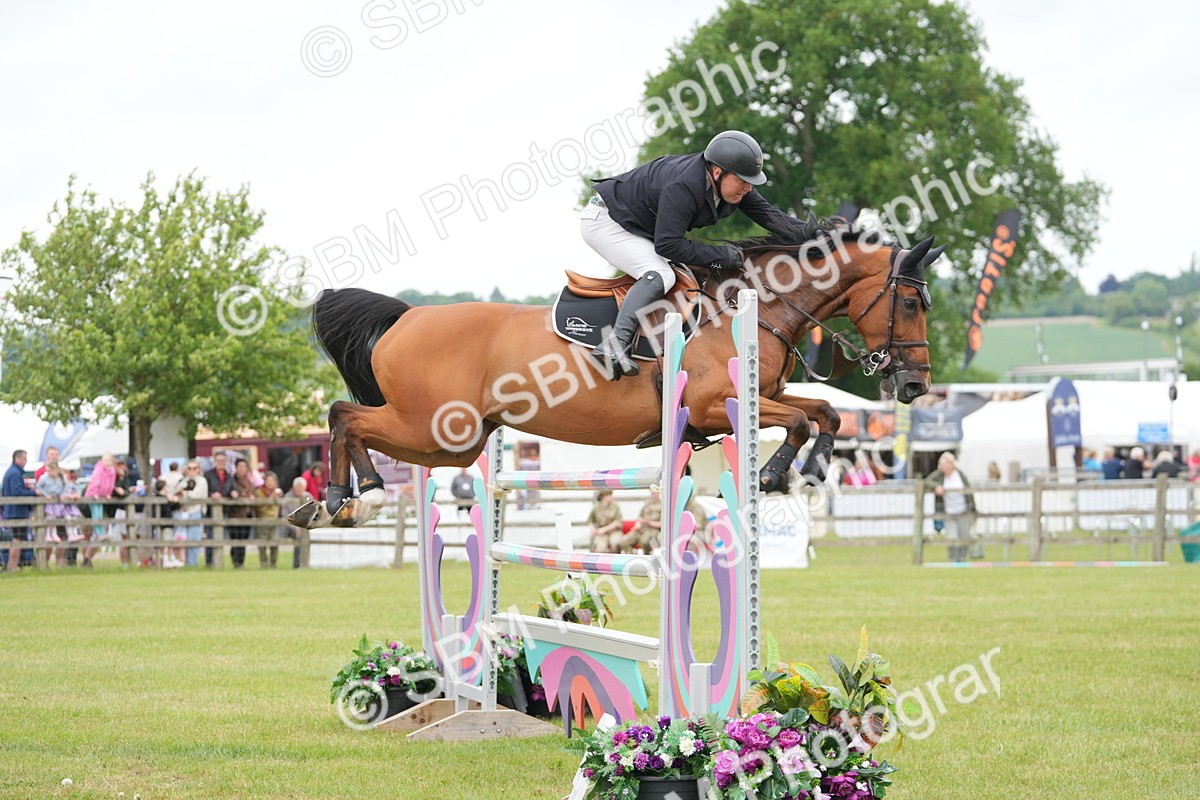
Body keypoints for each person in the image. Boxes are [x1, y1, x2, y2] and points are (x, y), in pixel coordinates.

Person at [583, 130, 807, 379]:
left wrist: (821, 235)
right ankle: (614, 344)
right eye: (743, 180)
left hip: (638, 226)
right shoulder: (685, 185)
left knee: (686, 276)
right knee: (660, 274)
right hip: (607, 221)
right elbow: (667, 245)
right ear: (718, 172)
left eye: (750, 181)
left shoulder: (729, 183)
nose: (748, 187)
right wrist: (722, 255)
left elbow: (771, 216)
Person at [924, 452, 979, 563]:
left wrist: (973, 509)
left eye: (948, 464)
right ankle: (953, 560)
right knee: (952, 537)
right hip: (949, 512)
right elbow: (926, 481)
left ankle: (962, 559)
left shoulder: (960, 475)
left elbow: (969, 491)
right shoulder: (939, 475)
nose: (946, 466)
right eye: (944, 464)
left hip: (964, 511)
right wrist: (937, 486)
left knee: (965, 536)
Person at [35, 462, 85, 568]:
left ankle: (71, 534)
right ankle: (50, 535)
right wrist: (45, 494)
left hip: (58, 502)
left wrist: (63, 495)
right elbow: (38, 487)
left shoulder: (61, 479)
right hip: (51, 502)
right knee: (51, 518)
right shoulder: (44, 478)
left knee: (65, 519)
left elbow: (64, 489)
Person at [80, 452, 117, 568]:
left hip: (101, 496)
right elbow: (96, 482)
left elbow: (110, 484)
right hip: (93, 495)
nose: (107, 462)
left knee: (99, 515)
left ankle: (101, 533)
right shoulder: (99, 469)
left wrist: (107, 494)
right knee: (95, 515)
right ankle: (100, 533)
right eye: (105, 460)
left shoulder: (111, 471)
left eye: (109, 460)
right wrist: (95, 493)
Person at [2, 450, 37, 570]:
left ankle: (12, 565)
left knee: (18, 538)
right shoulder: (14, 473)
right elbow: (17, 492)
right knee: (17, 539)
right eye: (24, 458)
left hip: (13, 511)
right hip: (16, 512)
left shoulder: (13, 472)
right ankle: (12, 566)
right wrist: (33, 492)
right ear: (17, 458)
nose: (25, 461)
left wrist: (26, 488)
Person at [169, 461, 208, 568]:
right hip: (183, 512)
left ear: (198, 469)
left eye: (194, 468)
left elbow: (196, 495)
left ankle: (192, 564)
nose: (192, 470)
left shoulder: (202, 481)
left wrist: (184, 494)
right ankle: (181, 563)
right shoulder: (183, 480)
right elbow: (176, 492)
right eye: (189, 468)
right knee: (181, 539)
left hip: (195, 511)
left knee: (193, 539)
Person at [204, 452, 236, 567]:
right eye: (219, 461)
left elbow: (232, 488)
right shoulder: (208, 475)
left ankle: (219, 561)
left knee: (222, 537)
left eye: (223, 461)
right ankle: (209, 563)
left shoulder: (229, 476)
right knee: (210, 537)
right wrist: (211, 495)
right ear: (214, 461)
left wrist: (233, 492)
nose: (221, 463)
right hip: (210, 511)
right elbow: (203, 491)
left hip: (225, 511)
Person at [252, 471, 284, 568]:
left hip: (274, 521)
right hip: (262, 521)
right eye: (268, 480)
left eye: (272, 480)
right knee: (262, 544)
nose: (270, 482)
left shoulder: (278, 492)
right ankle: (264, 564)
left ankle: (273, 563)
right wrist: (271, 498)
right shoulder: (259, 492)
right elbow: (260, 507)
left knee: (274, 543)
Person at [227, 459, 255, 568]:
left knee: (243, 540)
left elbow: (251, 492)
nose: (242, 469)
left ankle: (241, 562)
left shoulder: (249, 481)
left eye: (244, 466)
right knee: (236, 540)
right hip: (235, 514)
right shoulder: (231, 480)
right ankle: (236, 562)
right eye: (240, 466)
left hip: (247, 514)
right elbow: (231, 492)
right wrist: (241, 495)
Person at [281, 477, 314, 568]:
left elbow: (313, 513)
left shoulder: (308, 496)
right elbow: (285, 515)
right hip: (290, 526)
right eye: (297, 487)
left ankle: (308, 563)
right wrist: (296, 528)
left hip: (306, 525)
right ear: (293, 487)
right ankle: (297, 564)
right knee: (299, 537)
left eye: (301, 487)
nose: (299, 489)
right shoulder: (288, 497)